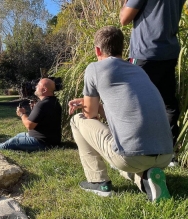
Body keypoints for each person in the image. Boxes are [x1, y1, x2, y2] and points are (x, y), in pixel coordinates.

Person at [69, 26, 173, 202]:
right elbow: (124, 108)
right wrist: (95, 104)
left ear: (97, 50)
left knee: (77, 120)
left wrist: (88, 105)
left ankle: (98, 182)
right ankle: (146, 179)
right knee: (127, 152)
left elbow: (90, 115)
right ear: (121, 49)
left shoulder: (95, 68)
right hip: (165, 154)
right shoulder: (138, 70)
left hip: (131, 156)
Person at [120, 0, 186, 166]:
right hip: (169, 52)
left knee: (133, 103)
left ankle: (134, 153)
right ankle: (167, 154)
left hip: (145, 53)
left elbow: (124, 18)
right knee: (168, 104)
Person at [0, 78, 62, 152]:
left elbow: (29, 125)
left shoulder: (42, 104)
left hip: (42, 143)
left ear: (44, 89)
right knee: (18, 136)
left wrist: (22, 114)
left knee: (12, 142)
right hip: (50, 140)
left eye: (38, 85)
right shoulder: (53, 101)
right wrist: (34, 110)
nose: (36, 86)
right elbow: (44, 120)